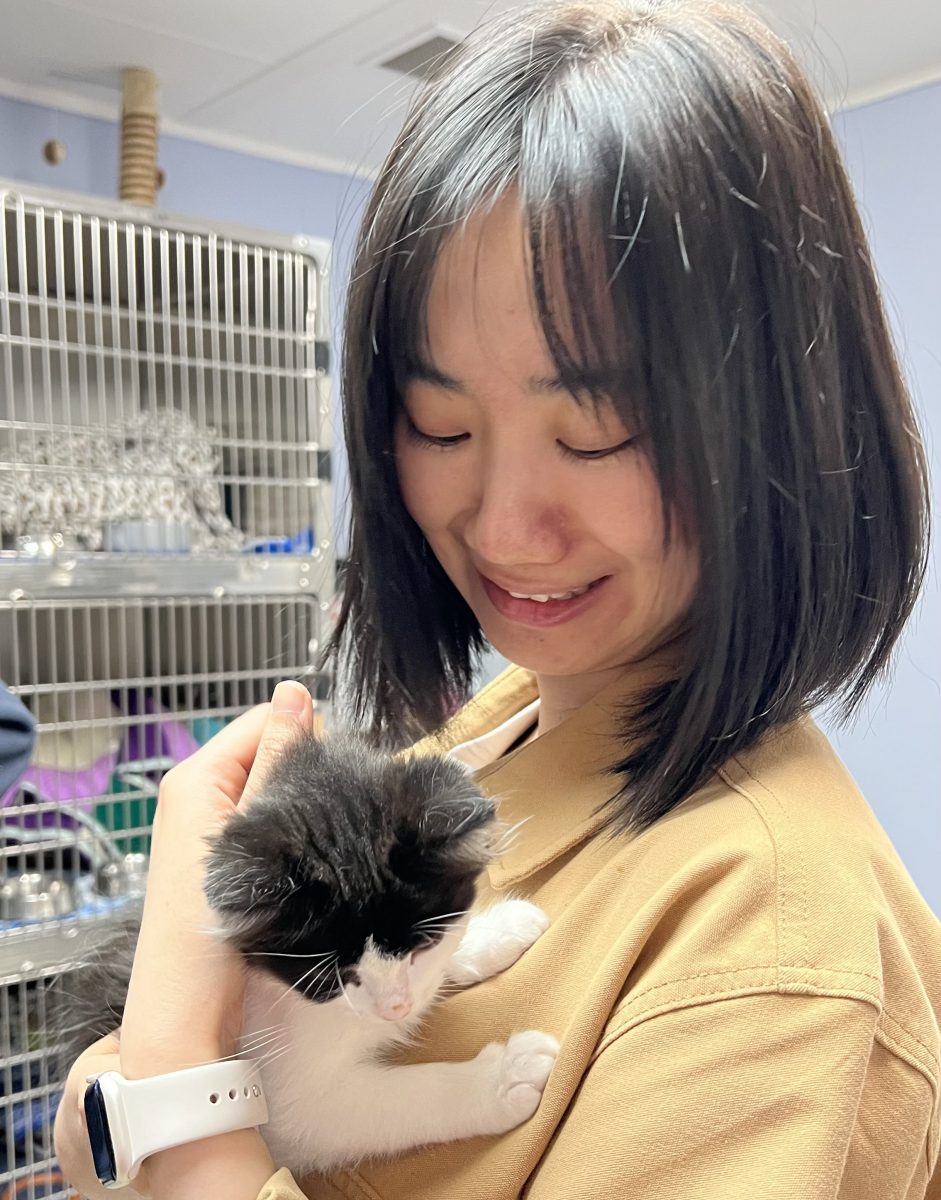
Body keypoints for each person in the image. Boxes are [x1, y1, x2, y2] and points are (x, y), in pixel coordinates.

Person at [55, 1, 940, 1197]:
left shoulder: (764, 947)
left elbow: (129, 1123)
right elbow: (83, 1127)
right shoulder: (503, 722)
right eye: (442, 423)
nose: (503, 524)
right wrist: (142, 1073)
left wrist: (171, 1073)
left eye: (597, 428)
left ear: (784, 424)